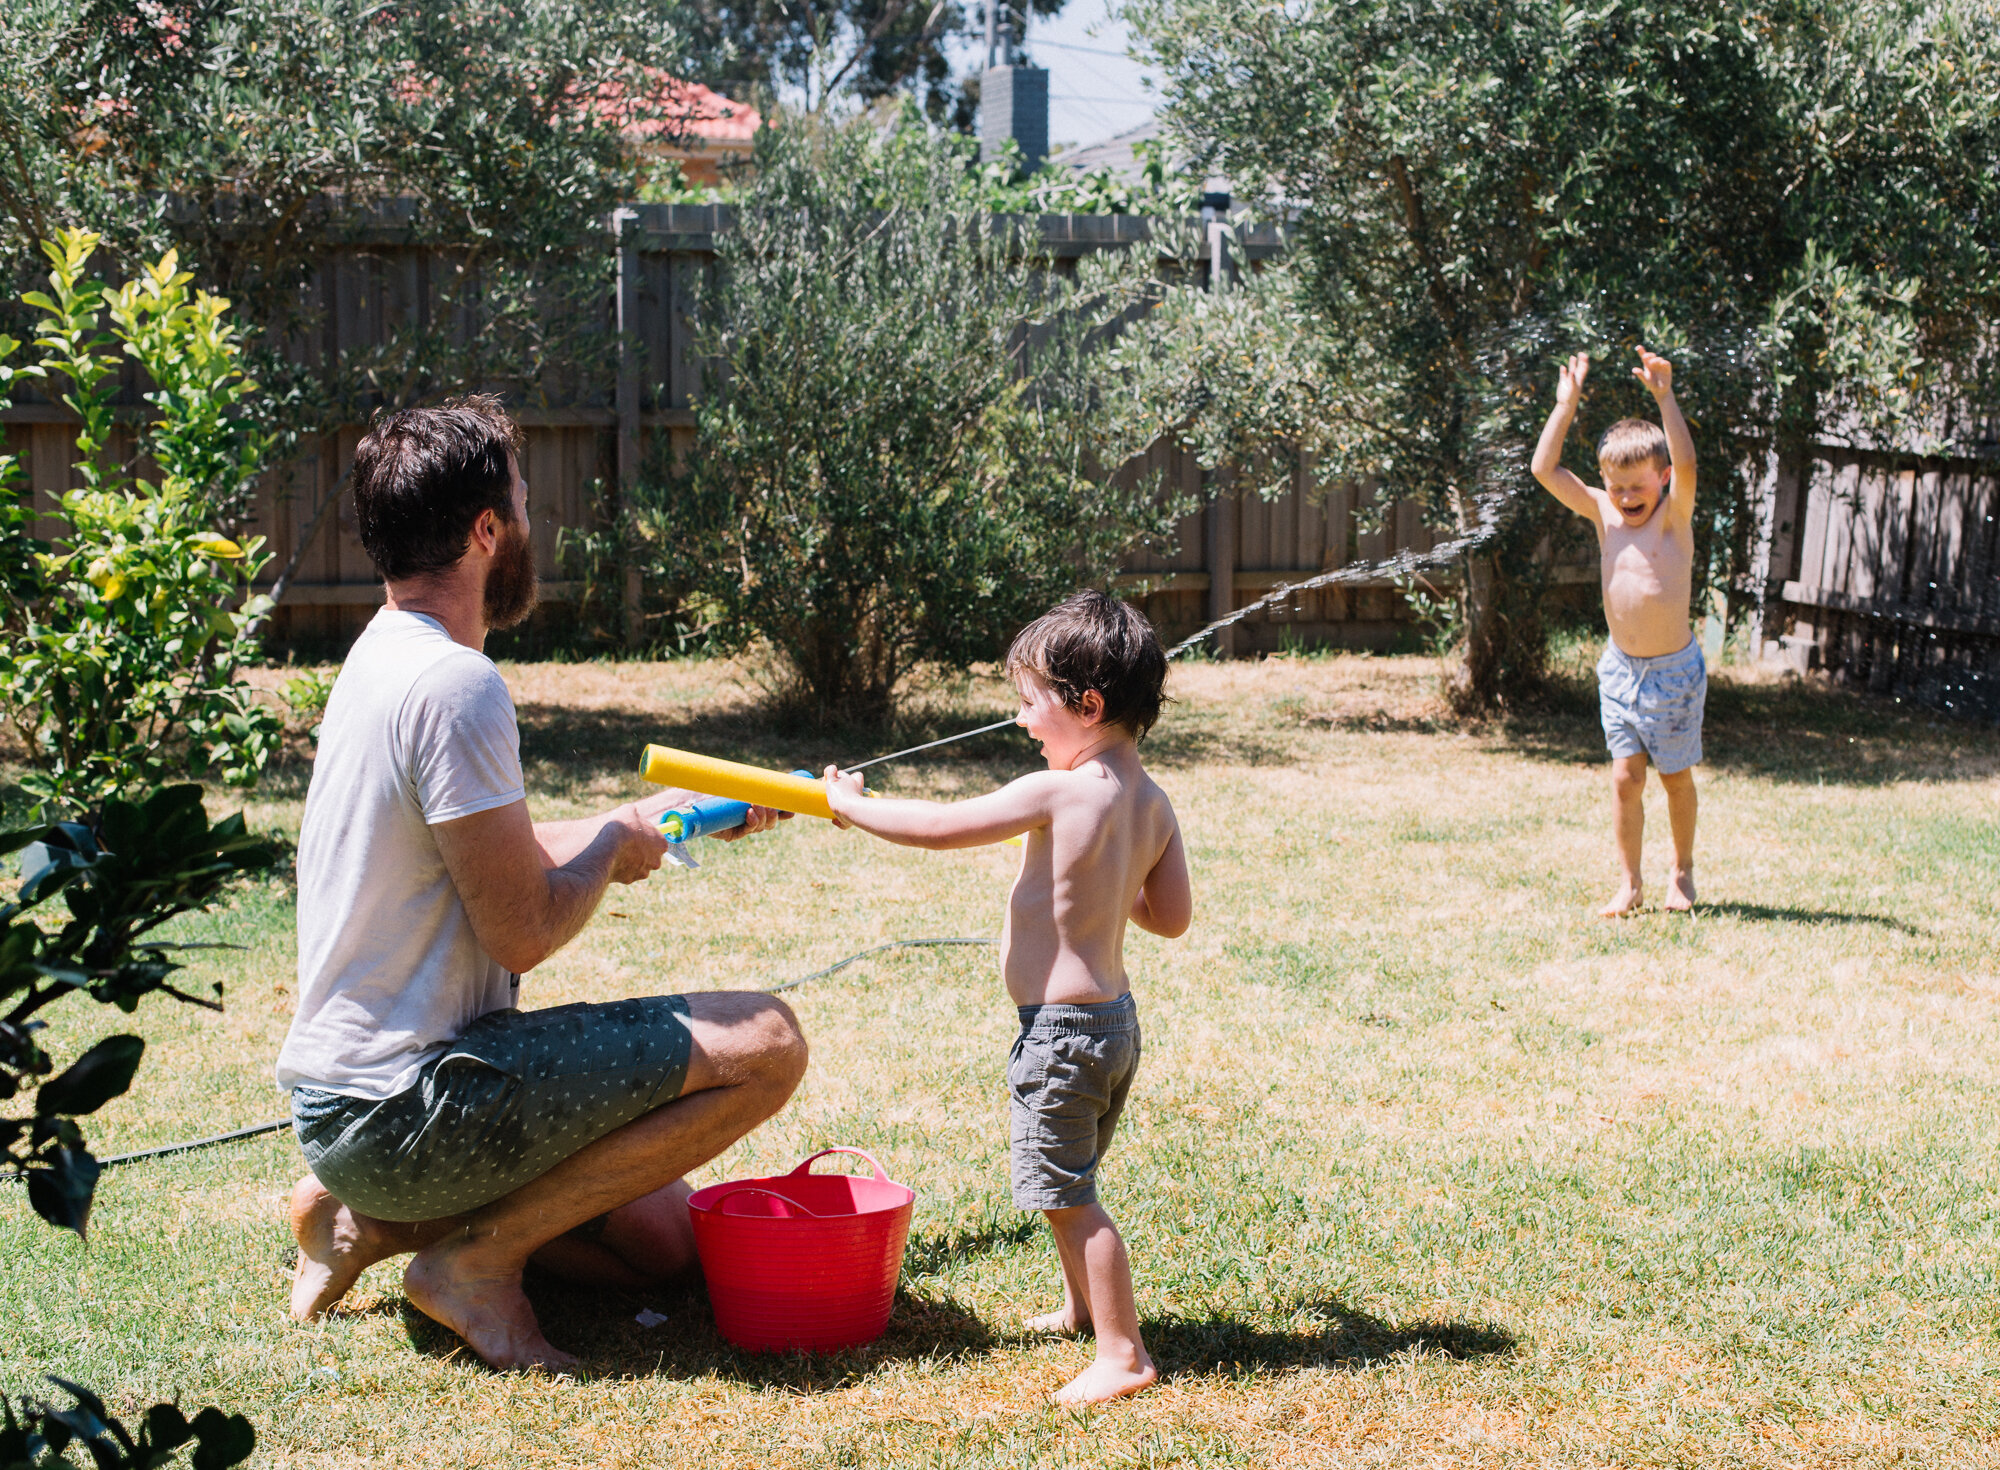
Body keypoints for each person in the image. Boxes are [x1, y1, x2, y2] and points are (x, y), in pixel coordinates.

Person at [277, 395, 807, 1372]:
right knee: (767, 1043)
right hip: (408, 1102)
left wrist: (651, 822)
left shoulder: (381, 655)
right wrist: (607, 846)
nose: (532, 524)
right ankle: (475, 1263)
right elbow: (520, 929)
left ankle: (365, 1224)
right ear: (487, 531)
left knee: (658, 1246)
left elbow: (487, 846)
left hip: (343, 1106)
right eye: (522, 503)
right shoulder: (457, 686)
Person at [823, 591, 1192, 1405]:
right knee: (1072, 1175)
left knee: (1067, 1194)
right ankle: (1080, 1310)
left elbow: (943, 826)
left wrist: (852, 805)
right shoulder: (1153, 801)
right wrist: (1109, 881)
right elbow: (1171, 918)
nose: (1023, 722)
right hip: (1114, 1026)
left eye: (1031, 704)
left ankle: (1123, 1354)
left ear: (1086, 705)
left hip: (1060, 1034)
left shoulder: (1056, 791)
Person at [1531, 346, 1704, 916]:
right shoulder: (1603, 512)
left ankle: (1681, 870)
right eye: (1618, 486)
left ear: (1663, 479)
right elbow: (1544, 470)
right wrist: (1566, 406)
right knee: (1626, 779)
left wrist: (1665, 397)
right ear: (1606, 482)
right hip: (1620, 671)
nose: (1629, 497)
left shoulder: (1674, 518)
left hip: (1673, 673)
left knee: (1675, 779)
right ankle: (1630, 883)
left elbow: (1689, 462)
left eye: (1639, 485)